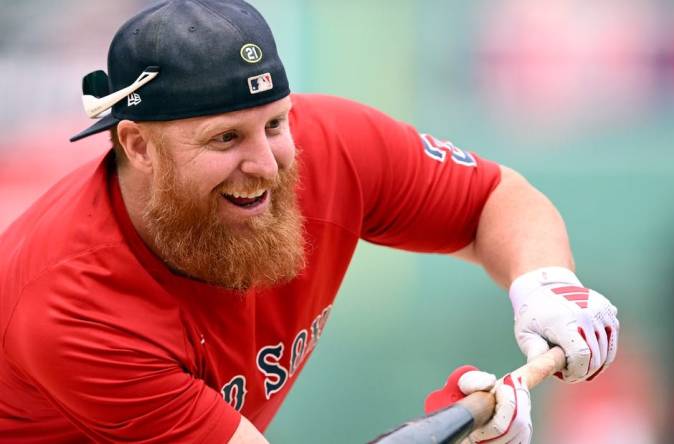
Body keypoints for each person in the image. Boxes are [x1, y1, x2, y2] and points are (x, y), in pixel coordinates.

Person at [0, 1, 619, 443]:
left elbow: (493, 199)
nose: (266, 164)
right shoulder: (73, 306)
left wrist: (543, 282)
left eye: (275, 123)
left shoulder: (328, 148)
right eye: (225, 138)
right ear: (136, 146)